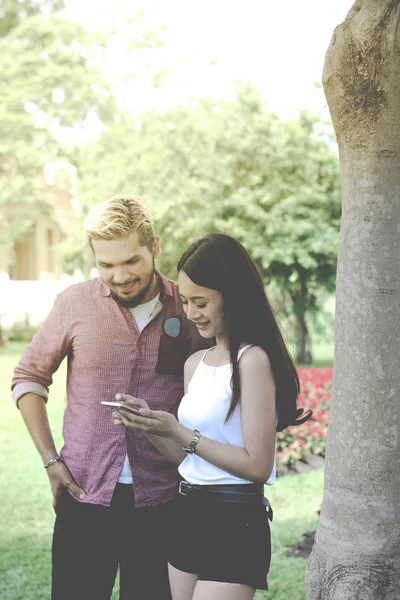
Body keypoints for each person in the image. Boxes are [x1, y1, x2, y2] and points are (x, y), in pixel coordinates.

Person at [11, 194, 211, 600]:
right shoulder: (74, 303)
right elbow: (29, 378)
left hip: (163, 498)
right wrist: (51, 461)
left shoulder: (188, 308)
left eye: (131, 261)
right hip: (84, 495)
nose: (119, 276)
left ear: (154, 247)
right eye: (106, 265)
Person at [113, 232, 312, 600]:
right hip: (186, 511)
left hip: (235, 520)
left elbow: (257, 465)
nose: (190, 313)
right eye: (186, 301)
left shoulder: (252, 361)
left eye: (201, 302)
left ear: (232, 296)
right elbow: (185, 458)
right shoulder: (195, 364)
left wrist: (180, 431)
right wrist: (152, 427)